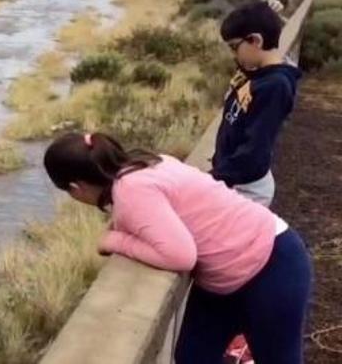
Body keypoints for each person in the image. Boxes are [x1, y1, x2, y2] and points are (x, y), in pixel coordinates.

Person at [43, 132, 312, 364]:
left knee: (278, 359)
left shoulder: (131, 190)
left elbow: (180, 256)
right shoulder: (144, 163)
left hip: (270, 266)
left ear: (75, 188)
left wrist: (115, 241)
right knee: (193, 356)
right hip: (232, 271)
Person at [212, 0, 301, 206]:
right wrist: (262, 9)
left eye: (235, 48)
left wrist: (214, 178)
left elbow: (255, 150)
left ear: (255, 41)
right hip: (234, 179)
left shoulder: (275, 86)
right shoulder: (258, 73)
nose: (234, 56)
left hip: (246, 188)